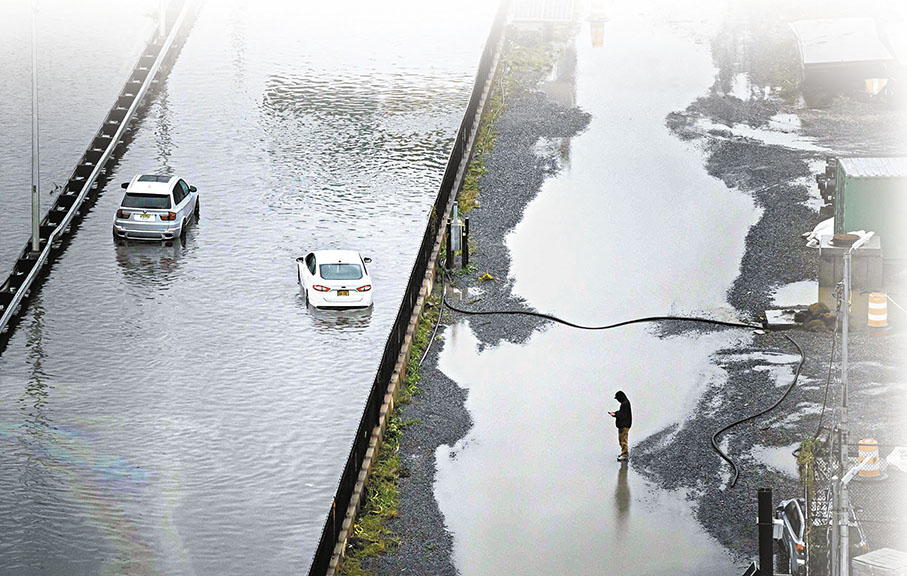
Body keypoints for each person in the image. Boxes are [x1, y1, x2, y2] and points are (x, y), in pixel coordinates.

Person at [608, 390, 632, 461]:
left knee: (623, 440)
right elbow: (622, 413)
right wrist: (615, 413)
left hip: (624, 425)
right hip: (624, 425)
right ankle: (623, 452)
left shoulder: (624, 404)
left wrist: (615, 414)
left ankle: (625, 455)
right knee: (621, 440)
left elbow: (622, 415)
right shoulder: (625, 403)